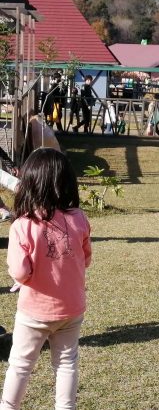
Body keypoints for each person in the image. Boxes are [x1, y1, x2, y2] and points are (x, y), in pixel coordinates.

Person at [0, 149, 92, 410]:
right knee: (66, 363)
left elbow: (19, 271)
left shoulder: (23, 224)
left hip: (35, 312)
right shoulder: (80, 218)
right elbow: (84, 259)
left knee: (20, 364)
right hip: (71, 309)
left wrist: (25, 277)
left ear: (29, 183)